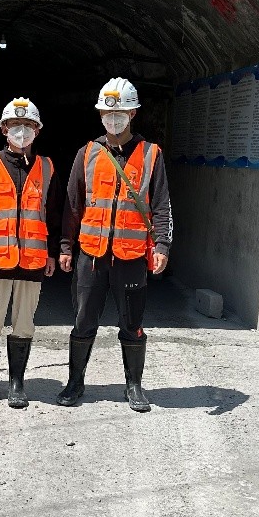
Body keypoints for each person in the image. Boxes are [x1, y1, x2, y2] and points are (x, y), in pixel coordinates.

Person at [57, 77, 172, 412]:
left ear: (133, 113)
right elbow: (72, 205)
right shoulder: (87, 154)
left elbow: (161, 204)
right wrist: (65, 247)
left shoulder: (151, 155)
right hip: (91, 255)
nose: (113, 119)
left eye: (120, 113)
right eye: (108, 114)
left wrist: (162, 245)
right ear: (100, 115)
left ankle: (134, 386)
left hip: (131, 256)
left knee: (132, 323)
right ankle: (75, 382)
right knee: (83, 321)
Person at [0, 98, 63, 408]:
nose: (21, 131)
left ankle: (17, 385)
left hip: (33, 259)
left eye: (28, 125)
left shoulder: (46, 167)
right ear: (4, 129)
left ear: (37, 131)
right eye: (15, 125)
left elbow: (54, 214)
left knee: (24, 323)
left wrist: (52, 253)